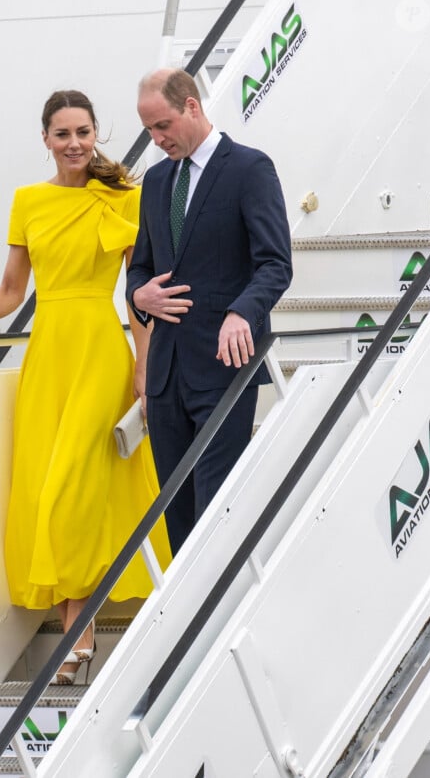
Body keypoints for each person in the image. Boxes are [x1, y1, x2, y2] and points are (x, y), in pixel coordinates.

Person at [0, 89, 171, 684]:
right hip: (49, 358)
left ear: (97, 136)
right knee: (57, 493)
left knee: (74, 488)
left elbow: (138, 294)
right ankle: (80, 632)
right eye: (62, 134)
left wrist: (143, 367)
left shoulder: (123, 198)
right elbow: (13, 290)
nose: (74, 144)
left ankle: (78, 636)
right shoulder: (27, 202)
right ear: (45, 138)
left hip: (98, 351)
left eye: (84, 133)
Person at [126, 68, 292, 555]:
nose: (156, 140)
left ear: (191, 107)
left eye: (163, 126)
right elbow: (139, 269)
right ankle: (189, 628)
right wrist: (139, 297)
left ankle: (216, 623)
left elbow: (275, 263)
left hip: (224, 370)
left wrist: (243, 312)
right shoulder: (156, 182)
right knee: (176, 516)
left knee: (215, 510)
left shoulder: (248, 168)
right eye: (149, 131)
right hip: (165, 378)